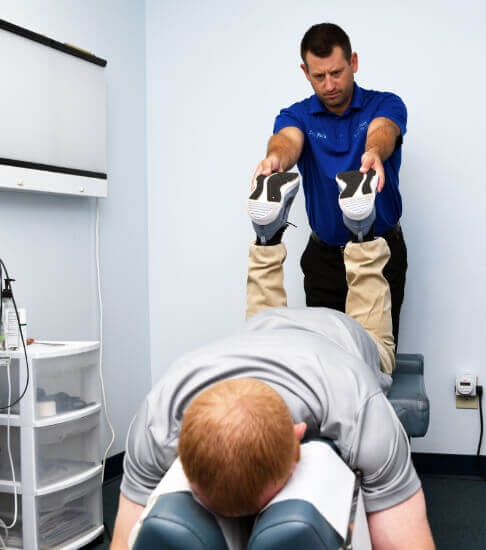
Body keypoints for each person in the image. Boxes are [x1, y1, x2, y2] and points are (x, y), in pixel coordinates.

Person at [111, 173, 434, 549]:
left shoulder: (356, 402)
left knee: (378, 343)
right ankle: (323, 234)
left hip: (341, 336)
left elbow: (122, 541)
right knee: (337, 300)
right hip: (264, 330)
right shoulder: (159, 412)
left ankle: (316, 234)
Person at [253, 22, 408, 349]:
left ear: (353, 62)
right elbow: (287, 141)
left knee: (375, 357)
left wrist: (373, 152)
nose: (329, 84)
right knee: (327, 361)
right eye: (319, 76)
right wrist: (274, 161)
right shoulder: (298, 115)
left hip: (382, 253)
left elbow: (383, 130)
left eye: (337, 72)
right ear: (305, 72)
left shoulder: (385, 104)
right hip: (325, 261)